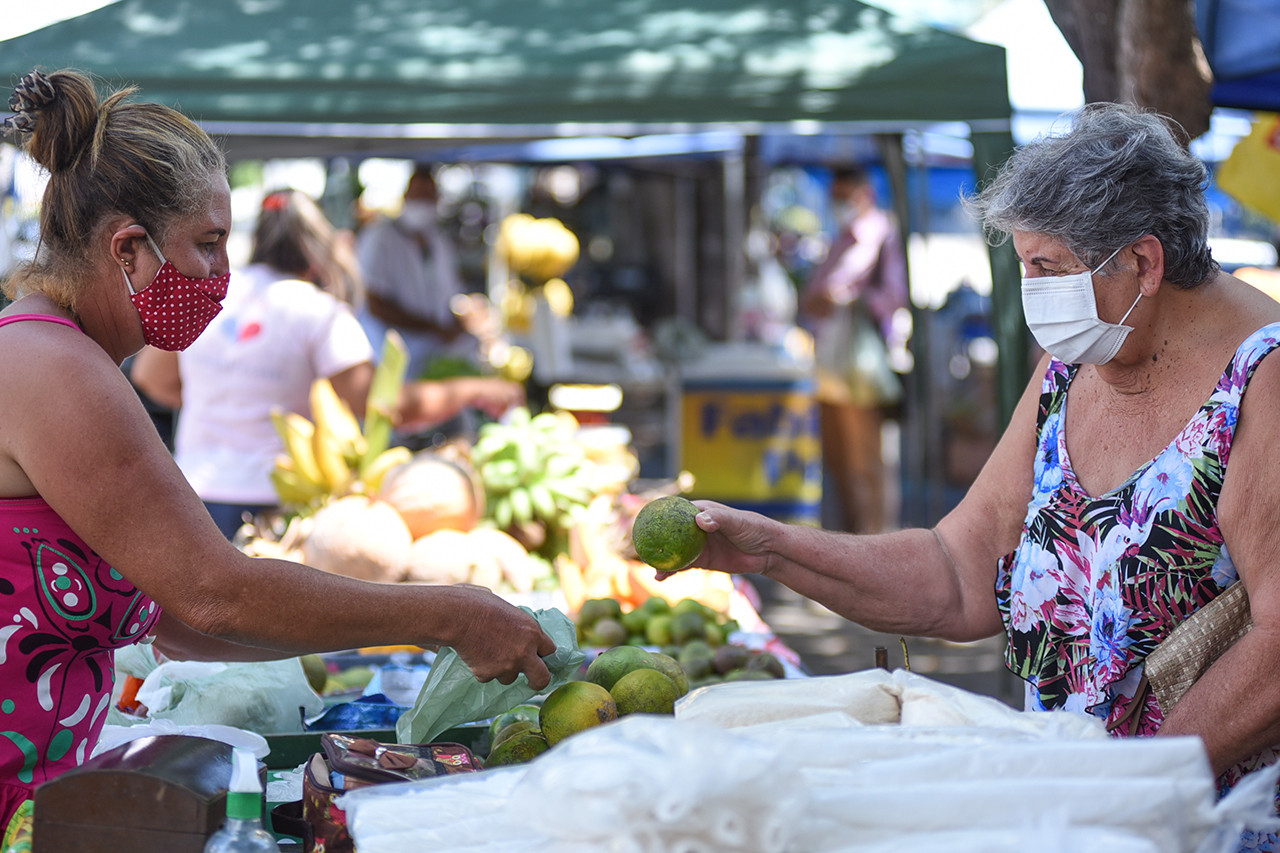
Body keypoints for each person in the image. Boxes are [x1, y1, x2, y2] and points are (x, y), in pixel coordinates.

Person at [673, 103, 1280, 851]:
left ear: (1145, 263)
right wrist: (772, 549)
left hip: (1203, 827)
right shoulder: (1074, 366)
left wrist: (1125, 793)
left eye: (1047, 269)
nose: (1032, 291)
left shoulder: (1263, 382)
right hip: (1069, 822)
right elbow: (959, 570)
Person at [0, 68, 555, 843]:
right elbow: (213, 593)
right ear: (128, 249)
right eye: (209, 244)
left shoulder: (64, 356)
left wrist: (408, 623)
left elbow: (185, 620)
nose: (223, 278)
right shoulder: (58, 369)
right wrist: (442, 612)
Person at [130, 188, 525, 538]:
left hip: (193, 499)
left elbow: (151, 377)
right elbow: (384, 405)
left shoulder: (213, 295)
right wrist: (474, 388)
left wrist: (219, 394)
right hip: (277, 507)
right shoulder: (319, 310)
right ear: (319, 249)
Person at [800, 166, 908, 535]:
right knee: (841, 465)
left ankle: (876, 542)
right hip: (831, 369)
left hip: (863, 370)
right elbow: (814, 298)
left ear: (866, 194)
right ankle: (852, 542)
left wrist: (850, 299)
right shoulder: (841, 238)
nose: (840, 204)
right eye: (837, 198)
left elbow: (894, 297)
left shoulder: (881, 236)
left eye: (846, 197)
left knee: (867, 465)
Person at [356, 166, 475, 380]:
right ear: (405, 197)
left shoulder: (438, 241)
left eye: (429, 196)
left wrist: (460, 321)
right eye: (418, 195)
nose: (424, 202)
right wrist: (432, 328)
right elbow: (374, 302)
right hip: (389, 357)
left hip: (432, 357)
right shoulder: (379, 238)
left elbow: (451, 294)